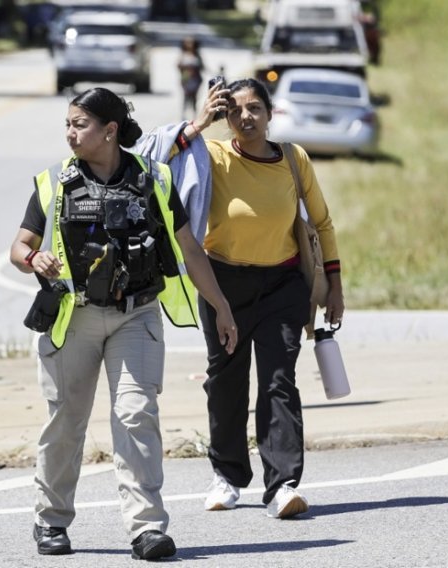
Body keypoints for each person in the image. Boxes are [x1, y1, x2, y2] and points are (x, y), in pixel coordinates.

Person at [10, 87, 237, 560]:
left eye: (80, 124)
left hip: (136, 315)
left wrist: (221, 306)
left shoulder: (153, 179)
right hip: (73, 317)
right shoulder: (53, 182)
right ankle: (50, 521)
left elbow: (190, 249)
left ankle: (147, 528)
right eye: (68, 124)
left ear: (110, 131)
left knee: (136, 414)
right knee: (66, 422)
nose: (70, 132)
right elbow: (18, 247)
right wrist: (36, 259)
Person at [173, 78, 345, 518]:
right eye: (234, 111)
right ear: (224, 117)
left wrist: (334, 285)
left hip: (283, 285)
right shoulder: (210, 154)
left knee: (278, 380)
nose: (245, 118)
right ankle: (227, 477)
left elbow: (321, 223)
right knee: (226, 379)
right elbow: (155, 161)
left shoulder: (293, 158)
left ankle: (283, 484)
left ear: (270, 114)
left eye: (254, 109)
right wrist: (199, 122)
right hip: (223, 285)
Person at [177, 36, 204, 120]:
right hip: (186, 80)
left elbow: (202, 67)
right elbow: (178, 65)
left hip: (195, 80)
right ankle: (183, 116)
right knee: (185, 97)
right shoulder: (183, 54)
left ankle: (194, 116)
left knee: (194, 98)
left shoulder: (197, 55)